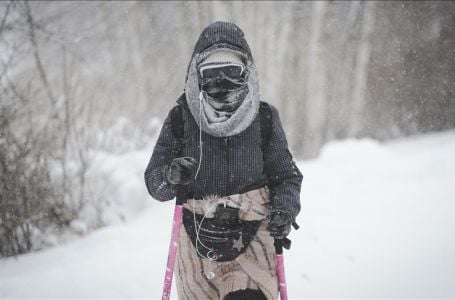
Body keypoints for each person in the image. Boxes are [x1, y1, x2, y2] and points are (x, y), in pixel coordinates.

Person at [145, 21, 303, 300]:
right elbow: (156, 185)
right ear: (197, 76)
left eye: (231, 72)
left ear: (246, 72)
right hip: (196, 246)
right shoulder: (181, 119)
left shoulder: (264, 118)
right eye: (211, 74)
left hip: (253, 241)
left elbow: (286, 176)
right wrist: (170, 175)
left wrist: (284, 211)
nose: (221, 82)